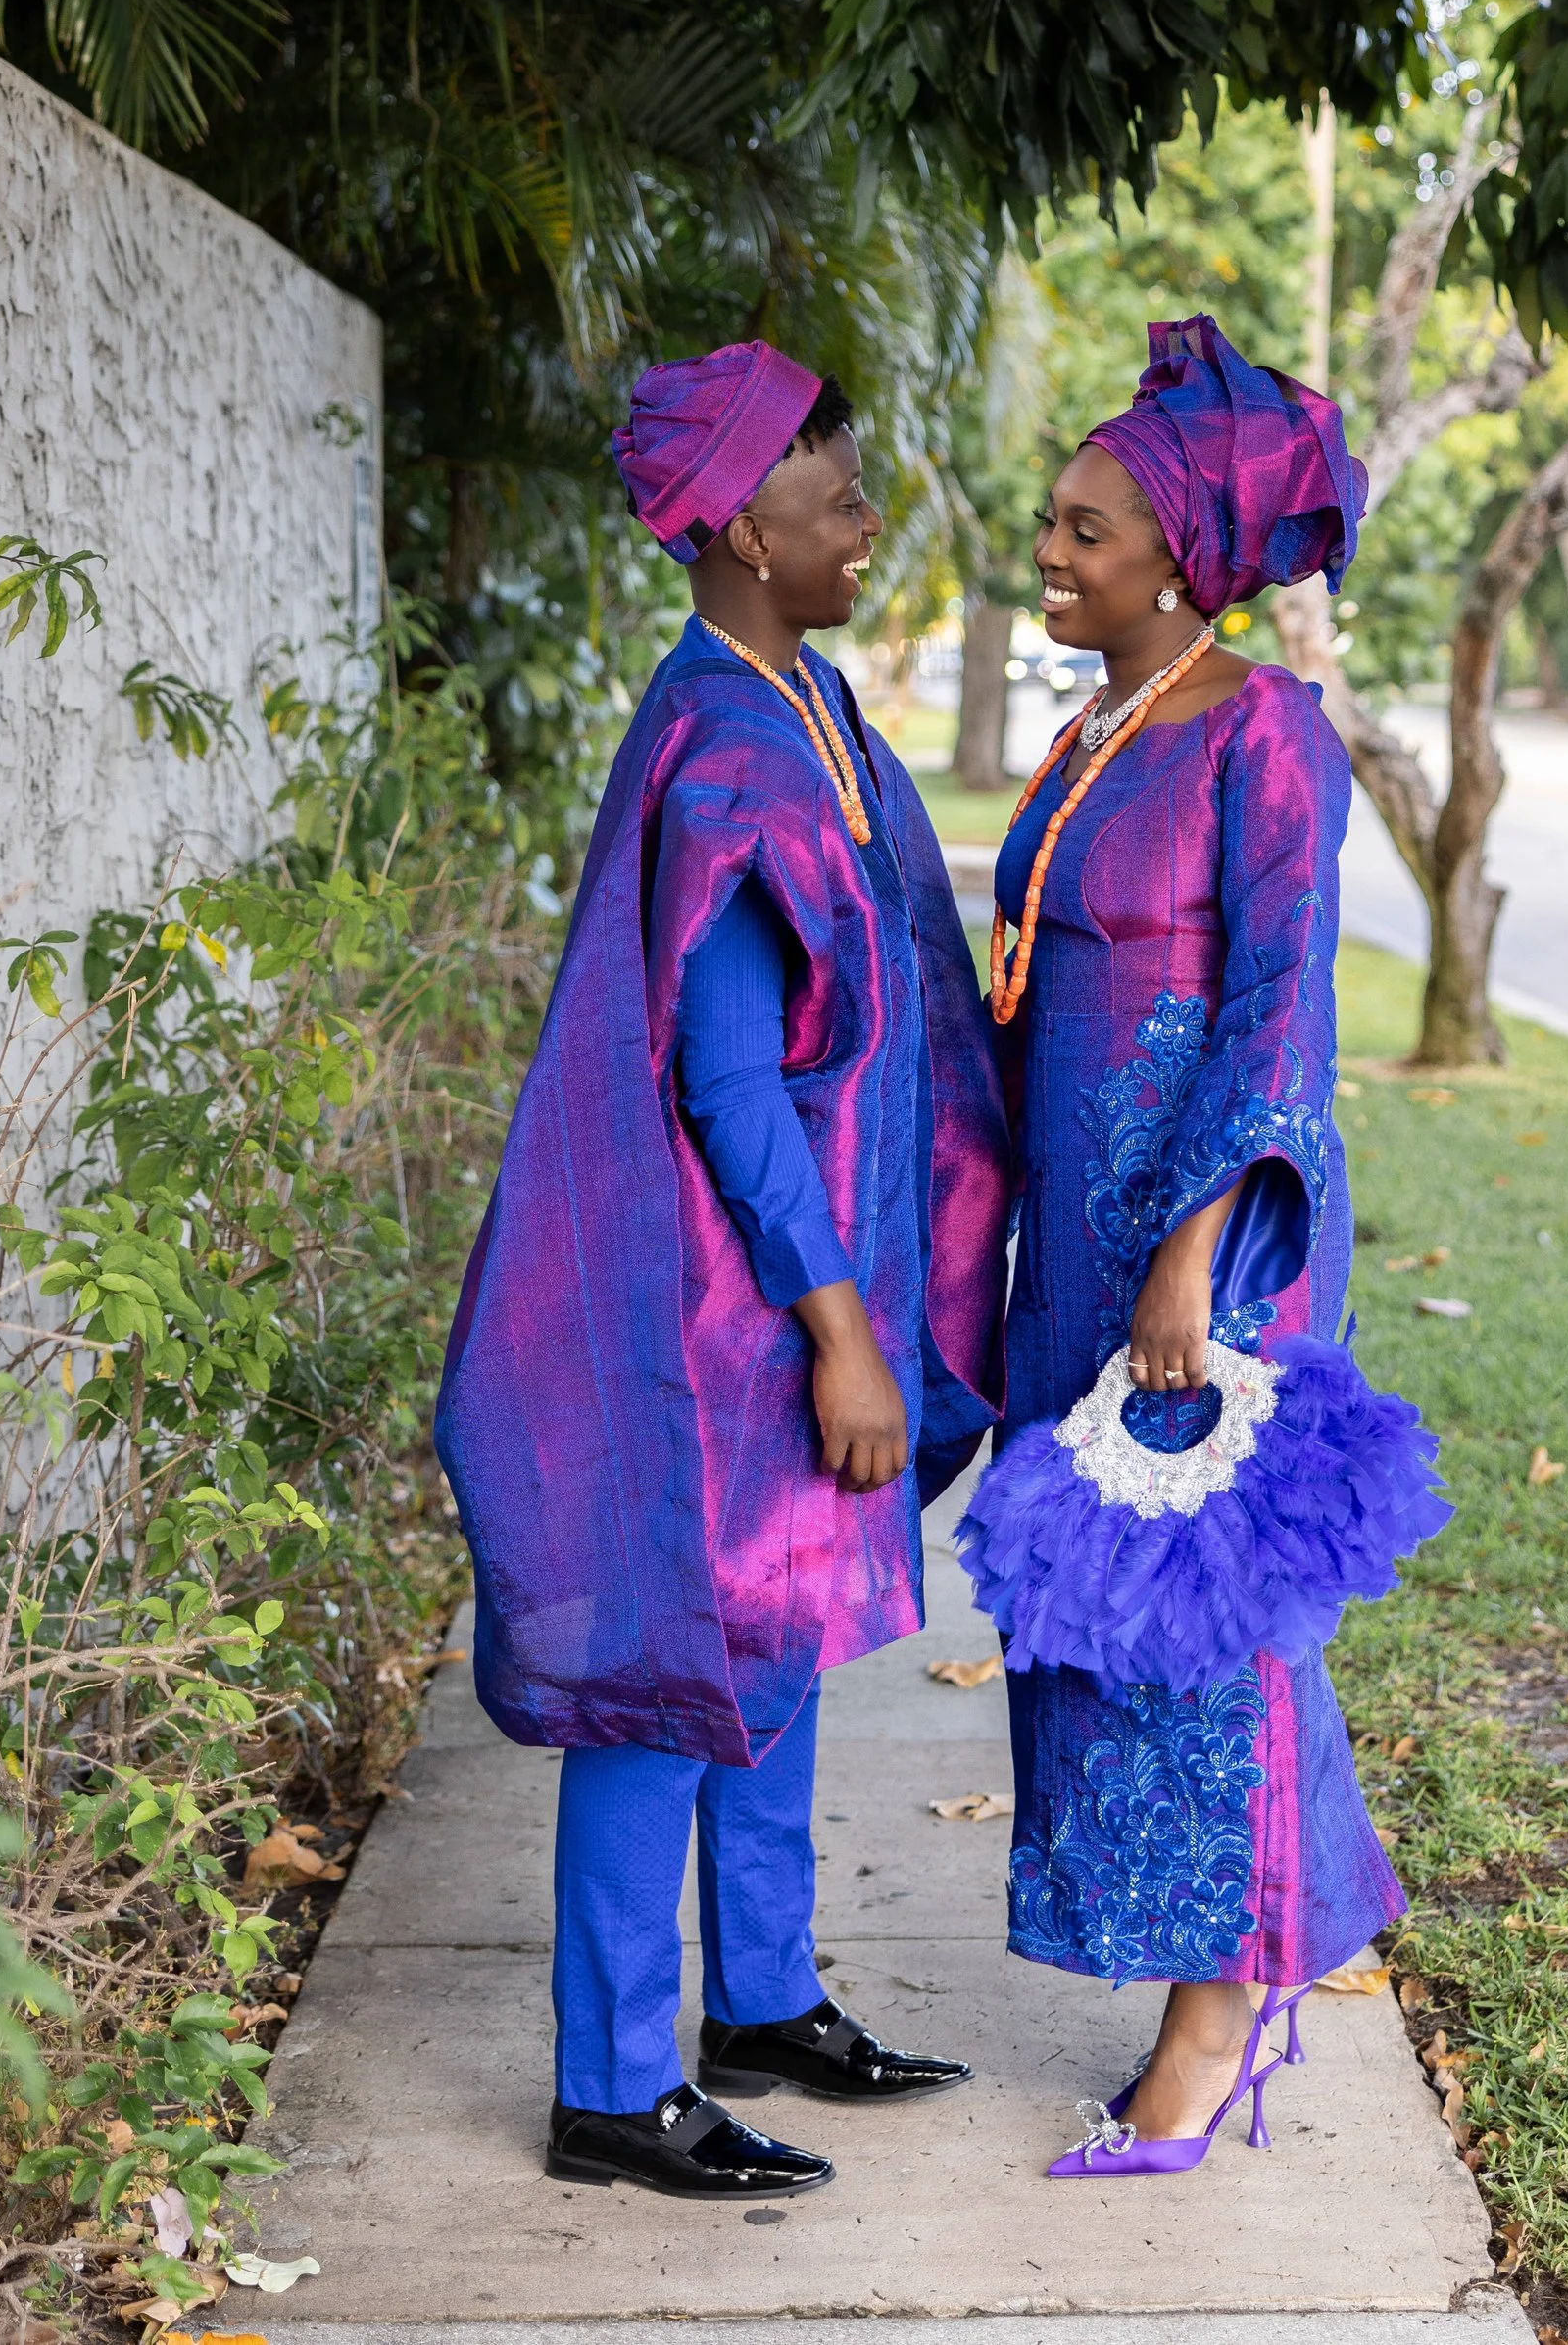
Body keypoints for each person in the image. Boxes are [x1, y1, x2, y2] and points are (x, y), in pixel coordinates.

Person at [435, 343, 1011, 2204]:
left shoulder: (807, 695)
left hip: (796, 1266)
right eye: (838, 504)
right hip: (734, 1290)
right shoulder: (731, 746)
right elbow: (724, 1069)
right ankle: (611, 2084)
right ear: (752, 533)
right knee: (671, 1668)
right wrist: (843, 1327)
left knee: (783, 1631)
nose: (866, 527)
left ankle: (760, 1996)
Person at [986, 312, 1408, 2177]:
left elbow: (1277, 1014)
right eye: (1057, 525)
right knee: (1092, 1624)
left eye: (1085, 530)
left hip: (1191, 1245)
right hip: (1069, 1250)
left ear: (1179, 556)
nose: (1055, 555)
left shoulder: (1267, 738)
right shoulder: (1096, 730)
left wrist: (1192, 1252)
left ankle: (1217, 2023)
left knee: (1203, 1630)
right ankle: (1196, 1969)